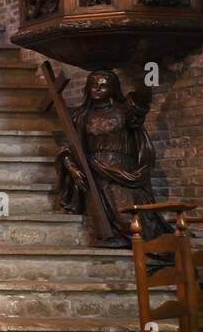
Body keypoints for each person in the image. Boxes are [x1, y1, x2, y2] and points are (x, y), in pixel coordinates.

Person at [57, 70, 166, 245]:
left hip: (123, 171)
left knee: (129, 218)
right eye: (93, 85)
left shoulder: (124, 111)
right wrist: (72, 168)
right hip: (94, 172)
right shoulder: (81, 116)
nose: (97, 89)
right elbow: (68, 147)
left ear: (113, 89)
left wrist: (143, 71)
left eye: (103, 86)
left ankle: (147, 247)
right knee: (105, 216)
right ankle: (112, 239)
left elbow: (143, 101)